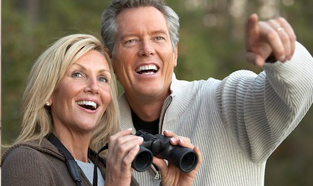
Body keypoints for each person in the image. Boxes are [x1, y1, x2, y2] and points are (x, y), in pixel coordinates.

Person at [100, 0, 313, 185]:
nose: (146, 49)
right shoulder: (98, 135)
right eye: (131, 40)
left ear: (174, 54)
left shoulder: (226, 101)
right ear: (111, 60)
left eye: (158, 38)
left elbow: (303, 85)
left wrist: (280, 58)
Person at [1, 34, 202, 186]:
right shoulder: (27, 161)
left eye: (103, 78)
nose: (94, 87)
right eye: (78, 74)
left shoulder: (108, 169)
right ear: (48, 94)